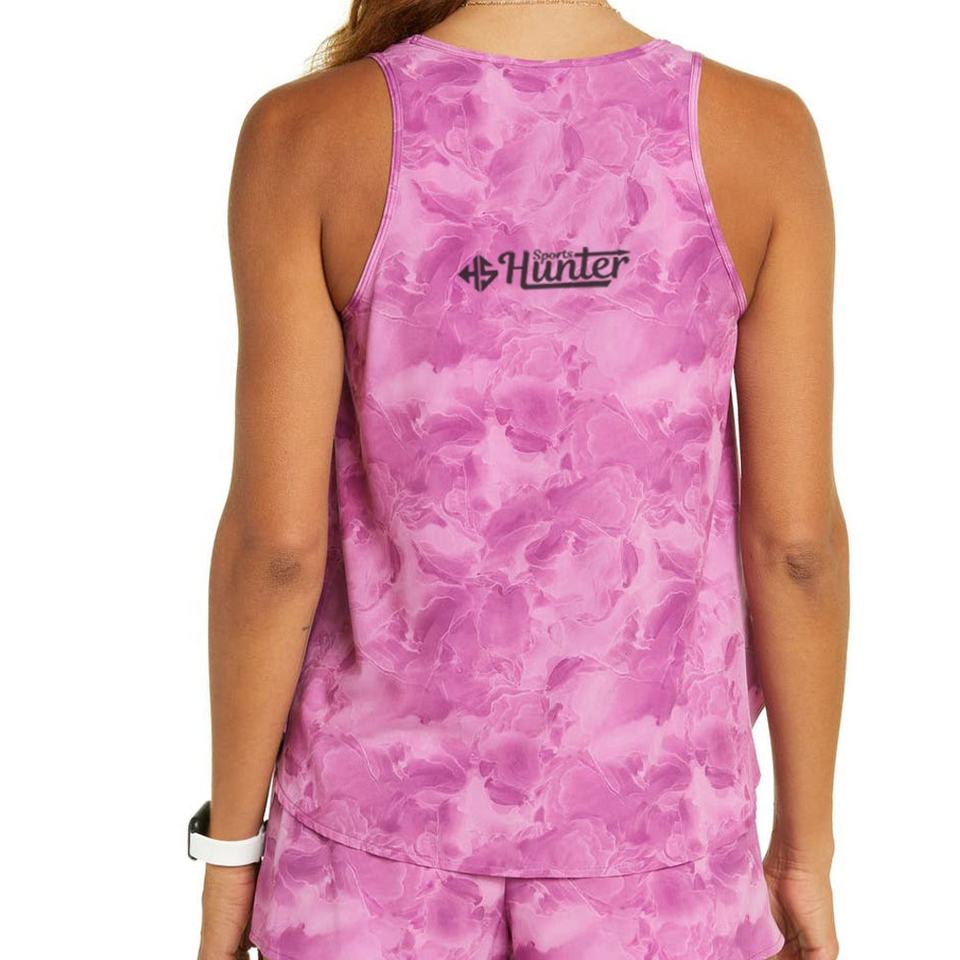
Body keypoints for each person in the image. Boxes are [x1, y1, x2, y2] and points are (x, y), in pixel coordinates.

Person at [191, 1, 849, 958]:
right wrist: (804, 852)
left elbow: (276, 553)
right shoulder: (761, 134)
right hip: (661, 863)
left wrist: (230, 859)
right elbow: (796, 547)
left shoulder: (306, 135)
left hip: (368, 865)